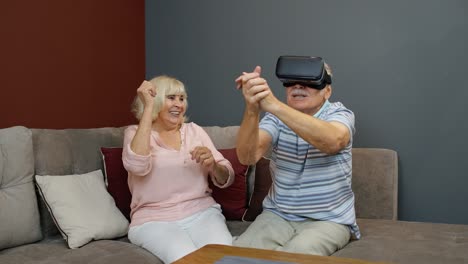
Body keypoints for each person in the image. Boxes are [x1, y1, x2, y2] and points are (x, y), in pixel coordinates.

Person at [233, 58, 360, 256]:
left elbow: (333, 141)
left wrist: (274, 104)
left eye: (309, 81)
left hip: (328, 220)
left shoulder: (340, 114)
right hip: (277, 215)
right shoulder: (275, 119)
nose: (299, 86)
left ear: (327, 91)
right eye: (291, 81)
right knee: (239, 257)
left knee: (296, 256)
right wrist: (252, 108)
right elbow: (247, 157)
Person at [122, 75, 235, 264]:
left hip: (202, 213)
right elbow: (137, 166)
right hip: (153, 220)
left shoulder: (194, 131)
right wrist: (149, 108)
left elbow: (226, 177)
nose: (178, 104)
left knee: (224, 259)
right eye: (171, 97)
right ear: (156, 100)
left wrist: (214, 165)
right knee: (187, 259)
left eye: (182, 99)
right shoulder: (135, 133)